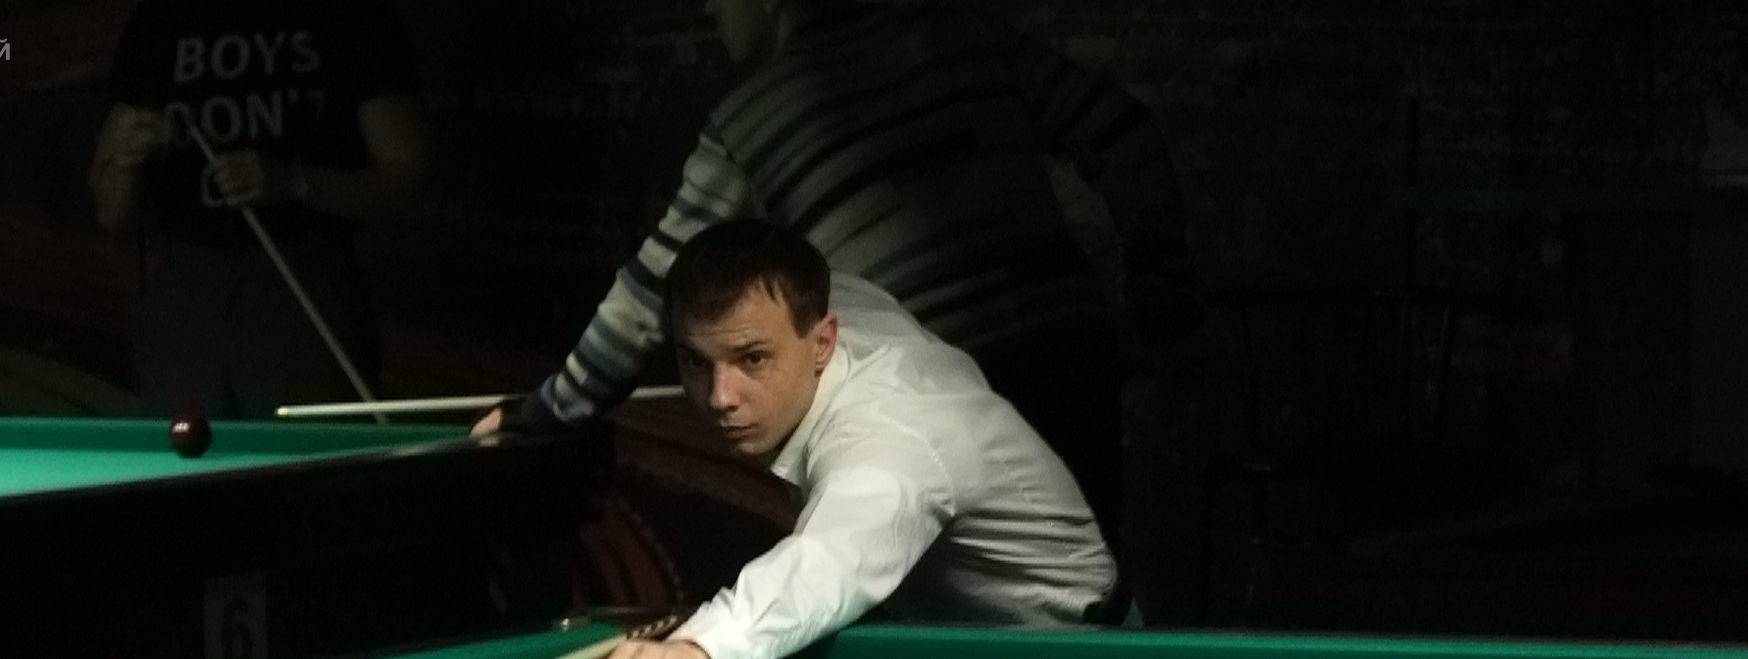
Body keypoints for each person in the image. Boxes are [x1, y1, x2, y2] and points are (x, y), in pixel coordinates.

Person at [478, 0, 1196, 552]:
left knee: (941, 620)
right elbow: (1125, 134)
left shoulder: (752, 120)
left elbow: (650, 295)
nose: (711, 14)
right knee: (1071, 587)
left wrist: (547, 412)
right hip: (1069, 357)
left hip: (929, 394)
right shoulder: (964, 35)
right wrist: (1161, 297)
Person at [576, 221, 1123, 659]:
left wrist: (700, 646)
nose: (720, 396)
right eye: (696, 361)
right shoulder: (820, 299)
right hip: (952, 652)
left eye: (752, 358)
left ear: (823, 342)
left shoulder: (889, 440)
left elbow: (830, 560)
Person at [89, 1, 427, 418]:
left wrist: (294, 182)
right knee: (180, 454)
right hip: (186, 290)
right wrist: (122, 163)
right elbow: (111, 214)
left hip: (303, 283)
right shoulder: (160, 16)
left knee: (309, 454)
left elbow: (409, 176)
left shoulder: (348, 12)